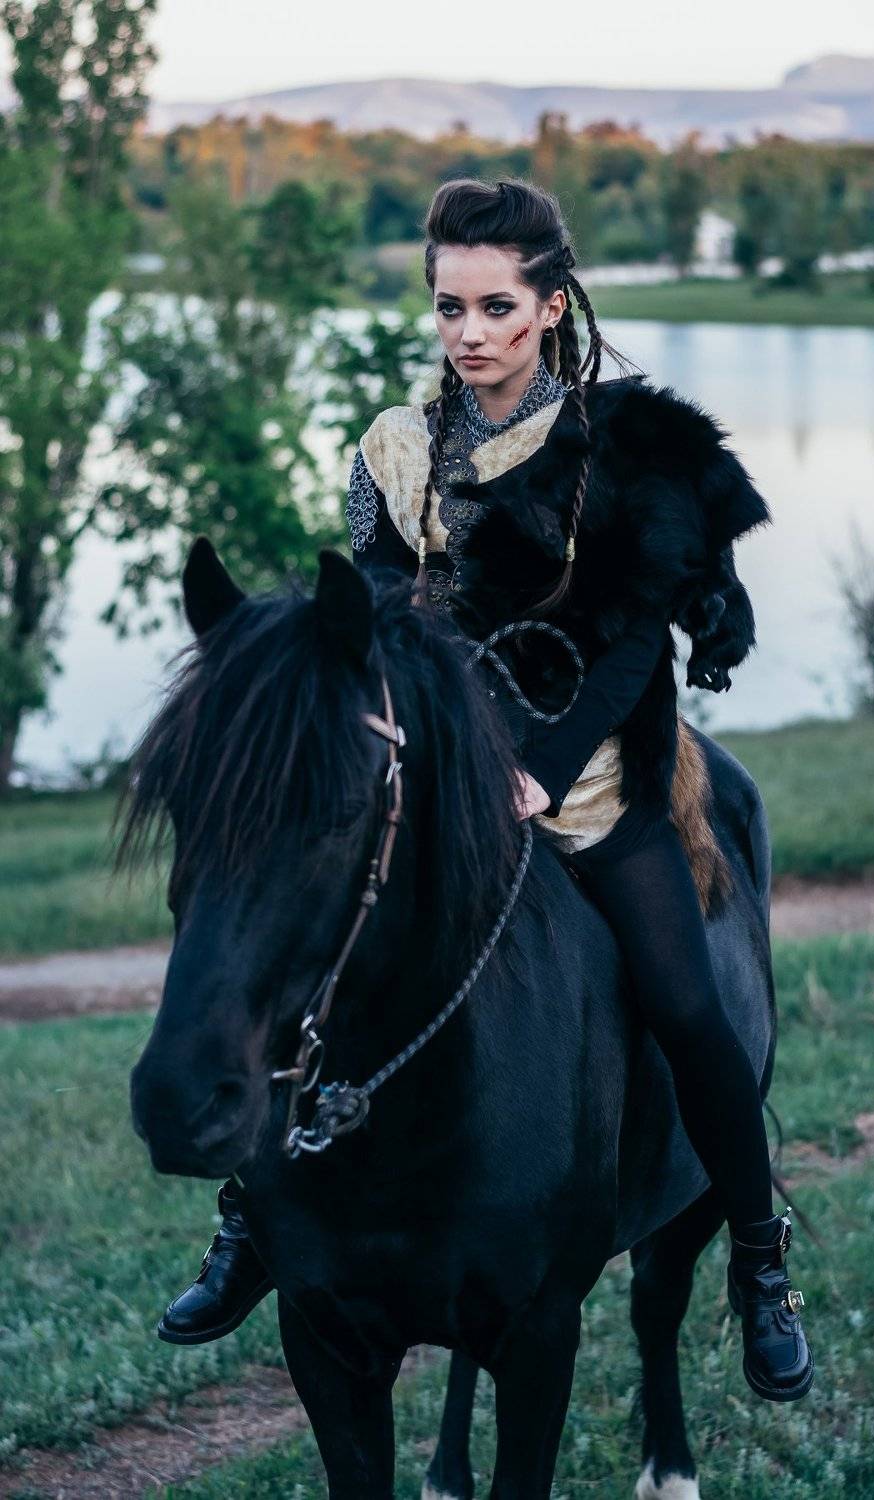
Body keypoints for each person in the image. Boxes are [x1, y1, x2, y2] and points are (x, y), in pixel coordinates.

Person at [158, 177, 813, 1404]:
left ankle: (759, 1258)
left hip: (588, 772)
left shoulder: (623, 447)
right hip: (438, 773)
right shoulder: (395, 449)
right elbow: (377, 621)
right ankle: (253, 1220)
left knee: (688, 1007)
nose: (468, 332)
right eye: (449, 306)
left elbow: (635, 643)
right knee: (303, 953)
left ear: (549, 305)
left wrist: (539, 774)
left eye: (495, 306)